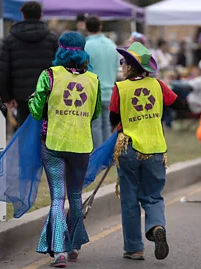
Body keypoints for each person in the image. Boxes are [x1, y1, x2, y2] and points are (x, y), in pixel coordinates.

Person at [28, 31, 101, 268]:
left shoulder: (49, 75)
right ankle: (75, 248)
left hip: (53, 144)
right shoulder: (93, 79)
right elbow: (95, 113)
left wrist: (32, 100)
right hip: (81, 146)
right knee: (76, 196)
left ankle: (59, 251)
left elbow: (37, 111)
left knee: (58, 197)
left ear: (59, 50)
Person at [109, 42, 186, 261]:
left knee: (129, 199)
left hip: (128, 148)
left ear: (131, 67)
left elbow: (113, 118)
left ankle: (134, 248)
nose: (122, 66)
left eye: (124, 62)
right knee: (152, 196)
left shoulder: (120, 88)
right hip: (155, 149)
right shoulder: (158, 85)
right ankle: (156, 227)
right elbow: (179, 104)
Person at [0, 1, 58, 127]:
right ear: (40, 15)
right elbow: (58, 67)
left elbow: (4, 70)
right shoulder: (52, 38)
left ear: (23, 15)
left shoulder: (10, 39)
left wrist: (7, 97)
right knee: (45, 132)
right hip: (47, 94)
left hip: (21, 96)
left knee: (24, 131)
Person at [84, 16, 118, 149]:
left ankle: (97, 155)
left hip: (91, 92)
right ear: (100, 26)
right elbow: (116, 67)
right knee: (107, 125)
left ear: (86, 28)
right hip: (109, 91)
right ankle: (107, 154)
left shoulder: (86, 45)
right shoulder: (112, 45)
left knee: (95, 126)